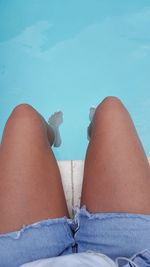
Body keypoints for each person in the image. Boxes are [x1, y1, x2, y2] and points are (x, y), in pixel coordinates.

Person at [0, 96, 150, 267]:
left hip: (20, 261)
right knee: (111, 111)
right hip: (132, 258)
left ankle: (55, 133)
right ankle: (92, 131)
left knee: (24, 118)